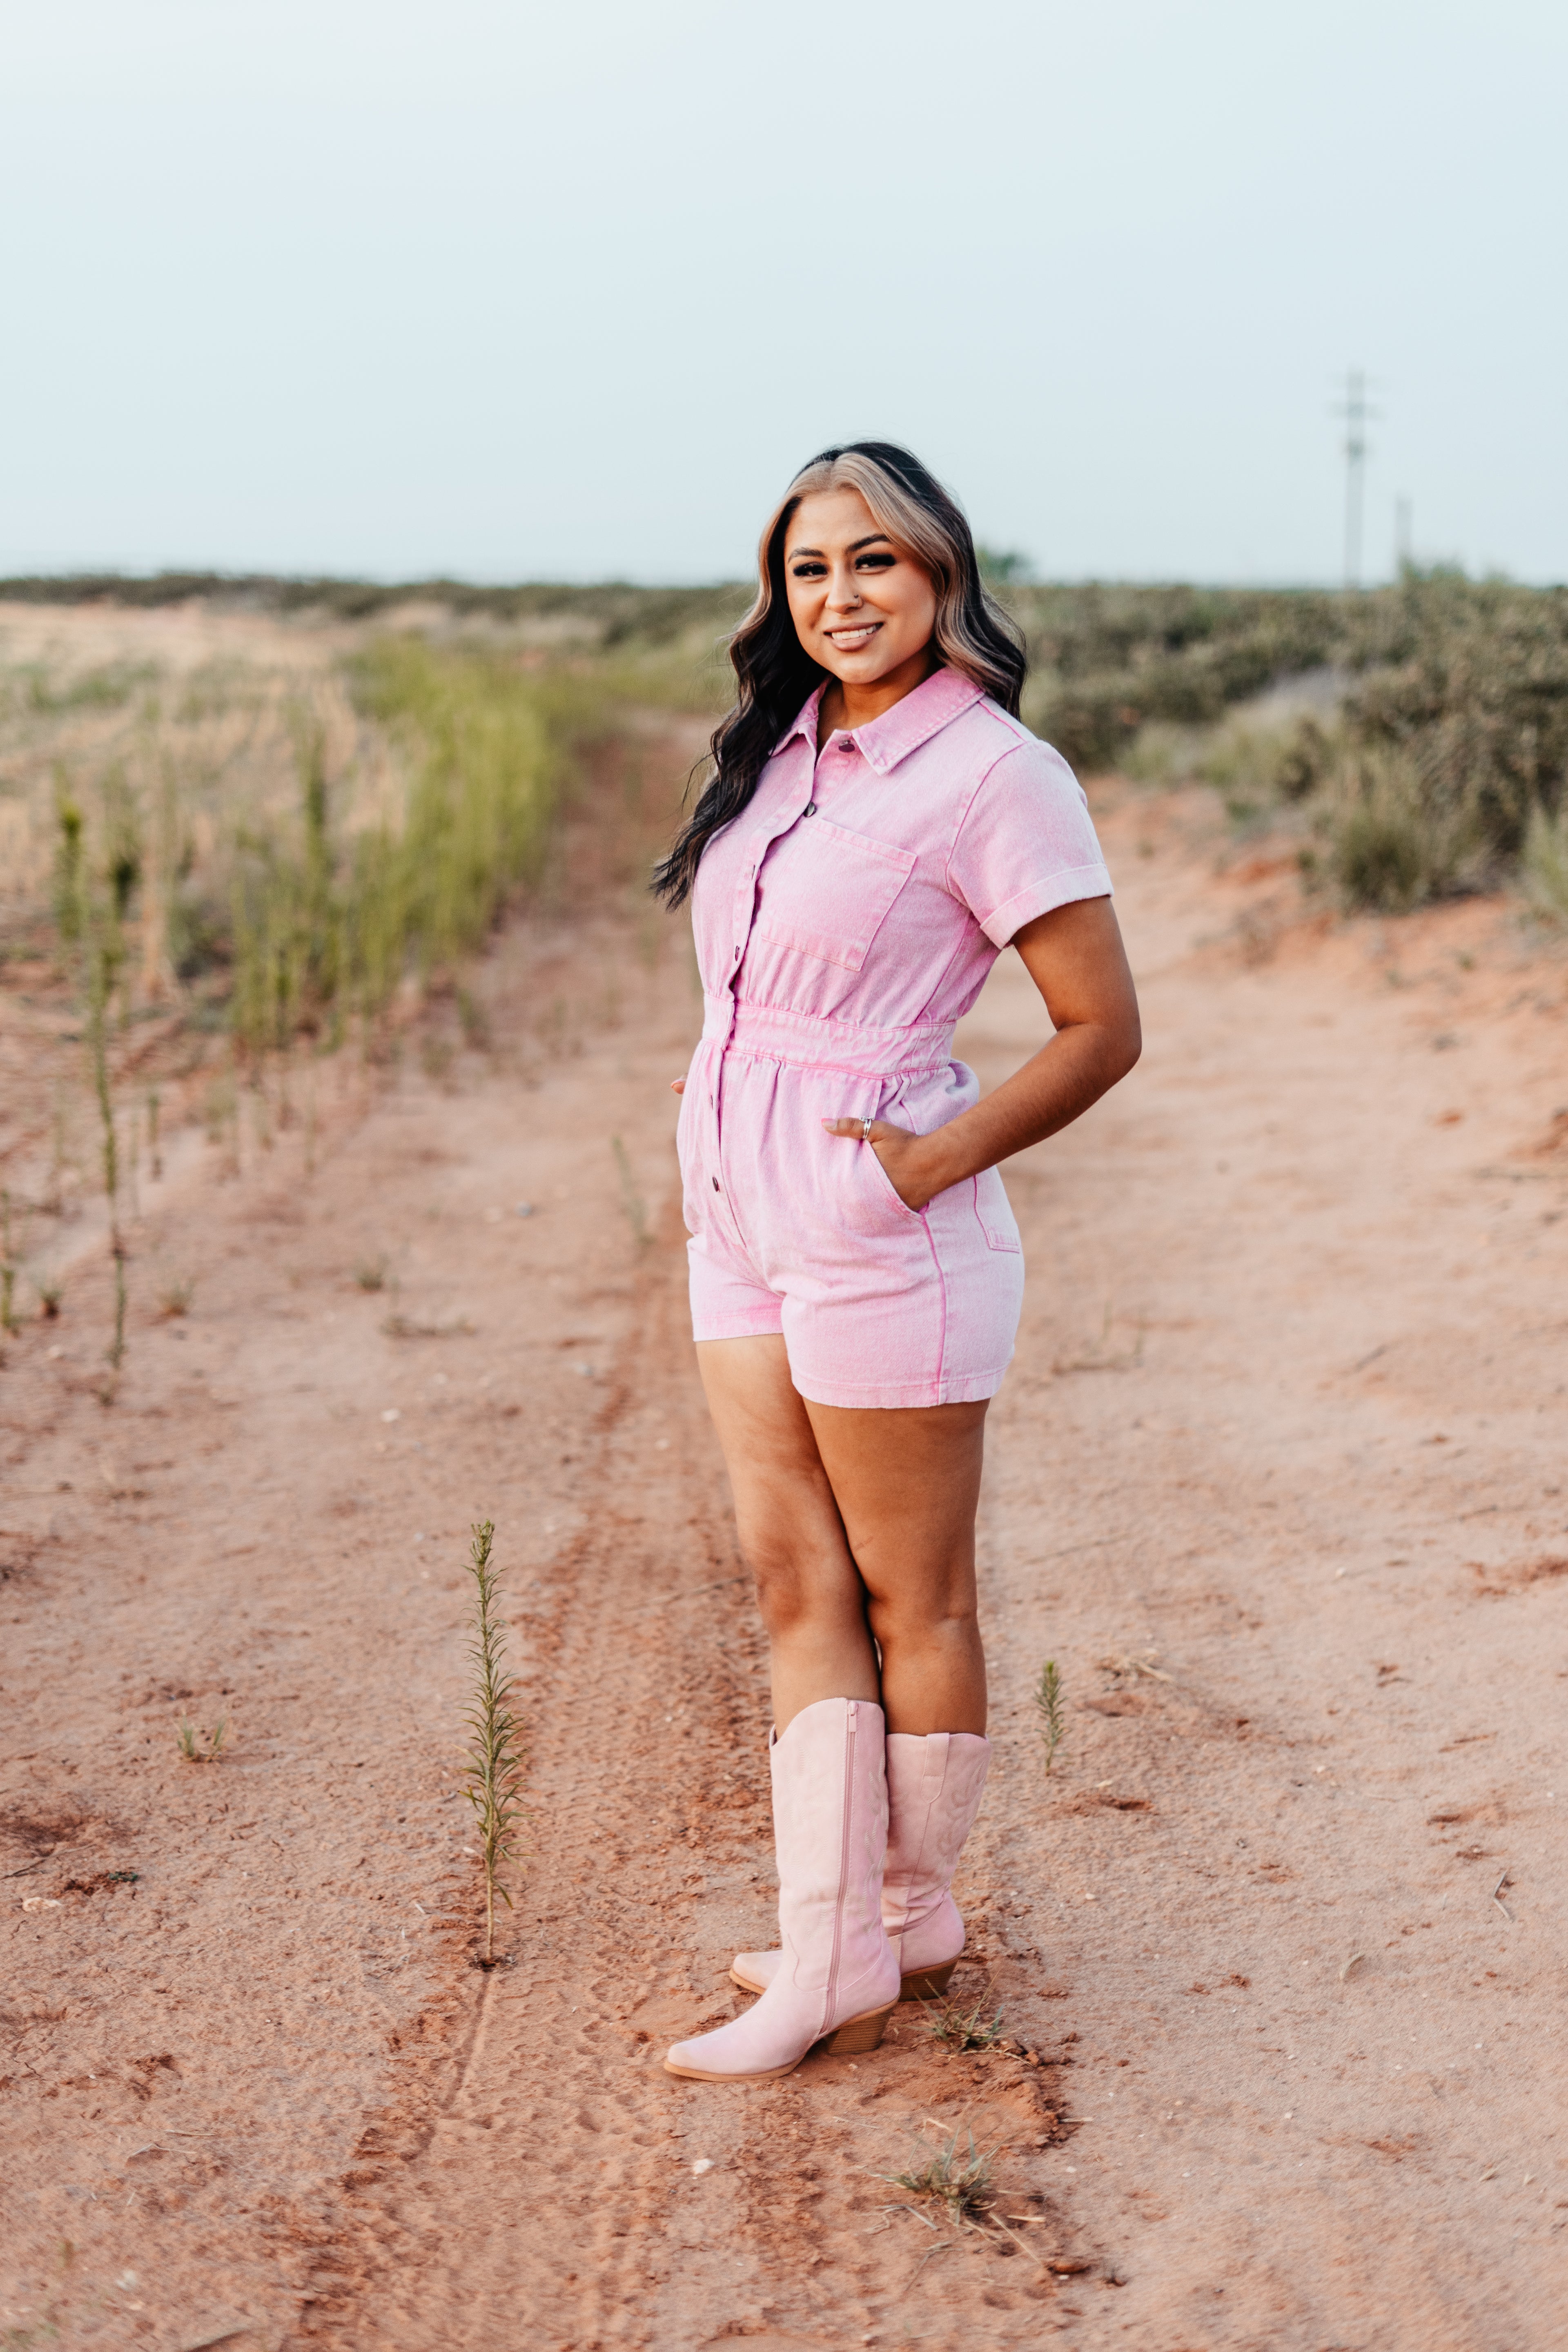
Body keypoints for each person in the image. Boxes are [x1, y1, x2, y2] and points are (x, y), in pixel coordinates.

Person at [652, 442, 1140, 2085]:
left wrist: (936, 1159)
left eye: (875, 563)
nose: (841, 597)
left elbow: (1100, 1028)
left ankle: (865, 1933)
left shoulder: (997, 772)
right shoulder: (783, 752)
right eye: (810, 570)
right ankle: (862, 1926)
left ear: (939, 575)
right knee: (791, 1577)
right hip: (738, 1208)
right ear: (777, 597)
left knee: (905, 1593)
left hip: (880, 1221)